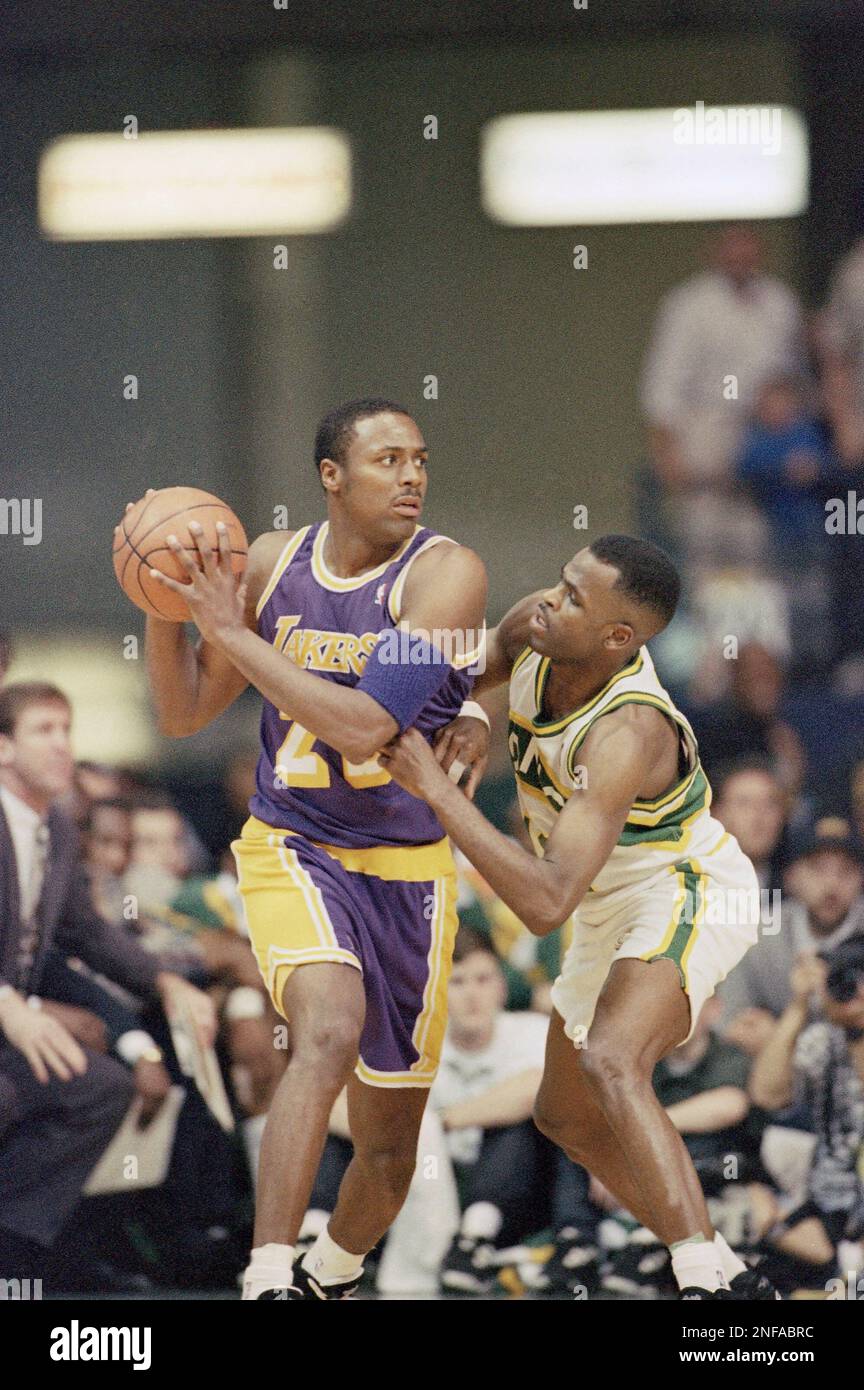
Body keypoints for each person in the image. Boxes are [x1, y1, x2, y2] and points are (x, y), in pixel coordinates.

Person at [139, 396, 487, 1299]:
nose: (411, 476)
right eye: (386, 460)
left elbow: (370, 726)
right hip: (295, 844)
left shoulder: (446, 574)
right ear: (331, 477)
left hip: (409, 871)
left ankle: (330, 1274)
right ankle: (266, 1276)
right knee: (324, 1029)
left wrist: (229, 634)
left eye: (419, 458)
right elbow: (181, 715)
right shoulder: (270, 560)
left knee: (387, 1154)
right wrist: (161, 602)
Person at [379, 533, 776, 1299]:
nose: (549, 602)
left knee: (613, 1059)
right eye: (562, 583)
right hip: (600, 898)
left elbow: (541, 903)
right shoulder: (537, 625)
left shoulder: (627, 732)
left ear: (617, 638)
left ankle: (702, 1282)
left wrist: (438, 789)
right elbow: (462, 671)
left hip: (684, 885)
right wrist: (476, 714)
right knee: (566, 1116)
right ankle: (726, 1267)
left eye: (572, 599)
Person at [0, 681, 215, 1277]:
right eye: (44, 730)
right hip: (6, 1019)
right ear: (2, 748)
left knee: (97, 1087)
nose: (62, 745)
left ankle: (11, 1254)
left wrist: (166, 983)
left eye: (67, 730)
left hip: (13, 1027)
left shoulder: (59, 832)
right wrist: (7, 1004)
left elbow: (88, 936)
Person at [748, 942, 864, 1287]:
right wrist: (799, 1005)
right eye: (841, 982)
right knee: (756, 1268)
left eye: (857, 981)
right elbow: (767, 1095)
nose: (851, 993)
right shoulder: (826, 1041)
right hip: (832, 1204)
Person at [717, 818, 864, 1055]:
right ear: (791, 877)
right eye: (818, 869)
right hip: (775, 1070)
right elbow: (729, 1021)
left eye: (845, 871)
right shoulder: (760, 932)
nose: (832, 884)